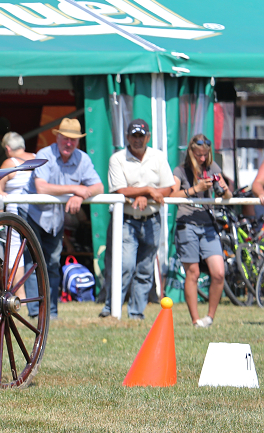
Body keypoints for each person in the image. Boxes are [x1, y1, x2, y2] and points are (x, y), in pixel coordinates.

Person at [21, 118, 104, 319]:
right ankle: (35, 313)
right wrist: (76, 189)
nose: (69, 143)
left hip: (56, 218)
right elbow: (41, 187)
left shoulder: (83, 159)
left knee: (53, 263)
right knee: (33, 262)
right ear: (57, 137)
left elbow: (99, 187)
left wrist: (80, 195)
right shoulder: (44, 154)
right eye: (65, 138)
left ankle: (51, 312)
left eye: (73, 140)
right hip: (31, 212)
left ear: (78, 142)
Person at [98, 120, 174, 319]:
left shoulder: (158, 157)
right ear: (127, 137)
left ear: (148, 137)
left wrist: (141, 195)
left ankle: (136, 313)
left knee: (145, 268)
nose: (137, 140)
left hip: (152, 218)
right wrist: (149, 190)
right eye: (134, 136)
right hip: (126, 219)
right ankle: (111, 308)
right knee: (124, 266)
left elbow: (168, 188)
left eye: (141, 136)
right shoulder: (117, 158)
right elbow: (120, 190)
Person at [170, 135, 232, 328]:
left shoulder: (213, 168)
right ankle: (196, 321)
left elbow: (228, 193)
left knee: (219, 272)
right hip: (186, 223)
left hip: (207, 224)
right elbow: (171, 195)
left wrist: (222, 190)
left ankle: (210, 318)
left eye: (205, 155)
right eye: (199, 155)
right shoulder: (180, 171)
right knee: (193, 273)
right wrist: (195, 189)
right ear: (191, 153)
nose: (203, 159)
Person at [0, 132, 35, 296]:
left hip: (15, 214)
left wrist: (2, 194)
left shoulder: (10, 163)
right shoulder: (36, 157)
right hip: (36, 213)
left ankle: (21, 294)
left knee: (16, 254)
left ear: (8, 148)